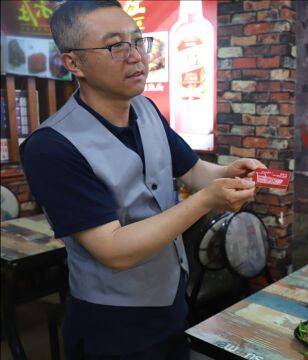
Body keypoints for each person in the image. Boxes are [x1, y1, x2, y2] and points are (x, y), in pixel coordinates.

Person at [20, 1, 263, 359]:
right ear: (73, 63)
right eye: (114, 46)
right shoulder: (50, 147)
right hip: (112, 323)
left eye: (137, 41)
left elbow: (193, 170)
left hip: (170, 298)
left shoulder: (146, 109)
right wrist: (207, 200)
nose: (135, 56)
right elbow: (114, 250)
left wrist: (227, 173)